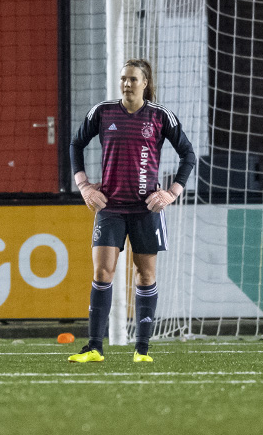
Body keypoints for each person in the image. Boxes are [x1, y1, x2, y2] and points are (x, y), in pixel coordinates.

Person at [68, 59, 196, 363]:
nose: (127, 84)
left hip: (145, 210)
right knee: (102, 272)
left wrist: (171, 193)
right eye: (123, 78)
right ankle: (95, 348)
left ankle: (142, 350)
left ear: (145, 83)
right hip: (110, 207)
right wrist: (84, 186)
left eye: (133, 79)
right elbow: (75, 145)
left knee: (145, 274)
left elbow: (188, 155)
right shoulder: (103, 112)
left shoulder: (160, 116)